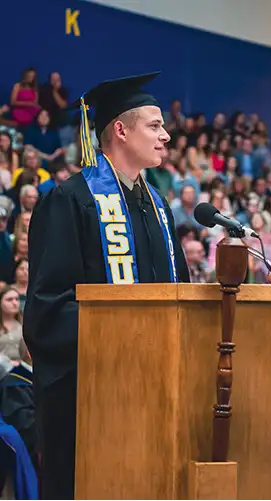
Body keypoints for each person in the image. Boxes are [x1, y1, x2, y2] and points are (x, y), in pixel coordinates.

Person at [24, 72, 190, 499]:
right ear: (120, 129)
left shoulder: (158, 206)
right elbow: (47, 311)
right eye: (155, 126)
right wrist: (127, 331)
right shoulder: (70, 201)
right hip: (91, 396)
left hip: (157, 386)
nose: (166, 136)